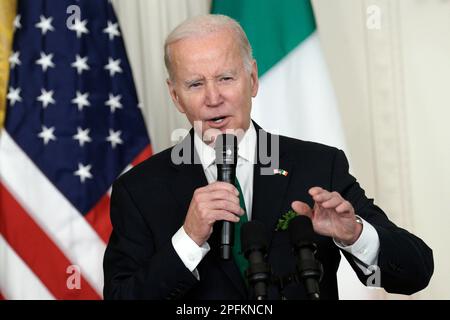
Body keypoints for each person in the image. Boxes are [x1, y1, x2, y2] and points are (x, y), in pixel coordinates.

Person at [103, 14, 433, 300]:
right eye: (195, 84)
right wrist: (188, 240)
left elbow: (416, 272)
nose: (213, 98)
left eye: (226, 78)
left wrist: (356, 234)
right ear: (176, 96)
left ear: (253, 79)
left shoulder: (318, 165)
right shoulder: (139, 190)